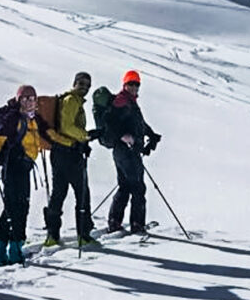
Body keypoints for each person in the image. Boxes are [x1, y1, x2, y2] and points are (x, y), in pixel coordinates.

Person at [0, 84, 45, 265]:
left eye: (32, 98)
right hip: (13, 167)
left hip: (24, 167)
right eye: (25, 98)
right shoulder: (13, 117)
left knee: (19, 207)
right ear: (19, 100)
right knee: (14, 208)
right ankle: (8, 249)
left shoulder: (33, 118)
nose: (29, 101)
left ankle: (7, 248)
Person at [42, 72, 97, 249]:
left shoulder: (69, 100)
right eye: (81, 83)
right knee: (82, 193)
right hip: (70, 154)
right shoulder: (72, 100)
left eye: (87, 85)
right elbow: (67, 127)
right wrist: (86, 136)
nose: (84, 88)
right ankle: (83, 235)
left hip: (60, 152)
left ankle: (52, 234)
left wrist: (83, 141)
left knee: (59, 193)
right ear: (74, 83)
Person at [104, 70, 161, 235]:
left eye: (136, 84)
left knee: (125, 186)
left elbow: (139, 123)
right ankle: (137, 224)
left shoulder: (130, 102)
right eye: (131, 83)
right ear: (125, 85)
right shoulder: (121, 101)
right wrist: (124, 136)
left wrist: (151, 135)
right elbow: (110, 122)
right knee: (137, 188)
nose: (134, 87)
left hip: (126, 151)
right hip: (126, 152)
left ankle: (115, 222)